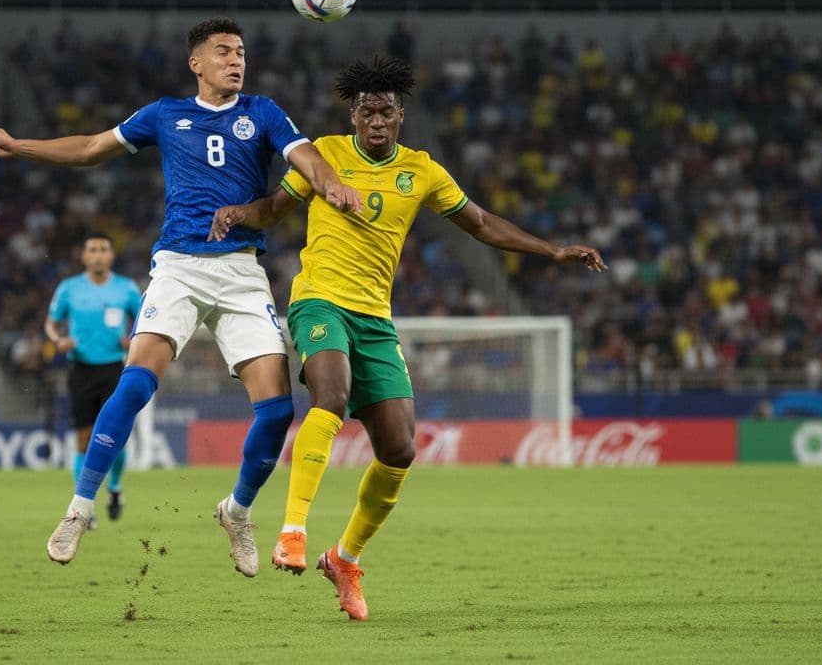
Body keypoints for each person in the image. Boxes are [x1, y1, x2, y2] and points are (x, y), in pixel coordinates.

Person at [210, 55, 607, 619]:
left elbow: (482, 224)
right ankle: (292, 528)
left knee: (399, 450)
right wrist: (239, 214)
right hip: (319, 298)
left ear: (400, 119)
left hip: (375, 318)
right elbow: (274, 208)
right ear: (353, 117)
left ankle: (344, 559)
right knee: (330, 396)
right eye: (367, 111)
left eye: (386, 113)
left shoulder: (422, 171)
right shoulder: (322, 155)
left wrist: (554, 250)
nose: (376, 121)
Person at [0, 16, 362, 575]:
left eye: (241, 52)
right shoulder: (163, 114)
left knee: (277, 411)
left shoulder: (263, 113)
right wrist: (19, 146)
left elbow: (306, 158)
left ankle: (237, 511)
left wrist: (331, 184)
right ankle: (81, 508)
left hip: (241, 270)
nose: (236, 60)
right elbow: (90, 147)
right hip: (179, 266)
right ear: (196, 63)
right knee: (134, 382)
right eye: (224, 51)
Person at [45, 232, 142, 528]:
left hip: (114, 369)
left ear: (111, 256)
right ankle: (86, 509)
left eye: (103, 249)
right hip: (81, 370)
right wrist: (57, 339)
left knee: (115, 440)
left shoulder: (126, 289)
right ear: (84, 256)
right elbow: (50, 323)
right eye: (92, 250)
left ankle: (114, 488)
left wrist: (133, 339)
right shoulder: (69, 288)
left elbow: (143, 323)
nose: (98, 254)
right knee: (83, 441)